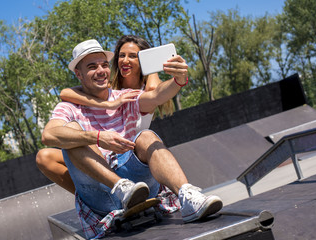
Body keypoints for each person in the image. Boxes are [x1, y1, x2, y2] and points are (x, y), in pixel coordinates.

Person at [41, 39, 223, 238]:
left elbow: (154, 97)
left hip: (139, 185)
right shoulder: (68, 107)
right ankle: (120, 186)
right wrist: (97, 137)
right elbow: (49, 134)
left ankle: (188, 196)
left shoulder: (125, 96)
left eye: (103, 65)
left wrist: (178, 80)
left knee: (146, 136)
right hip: (102, 192)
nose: (101, 70)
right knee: (71, 134)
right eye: (92, 67)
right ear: (79, 74)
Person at [36, 35, 173, 195]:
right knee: (47, 154)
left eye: (133, 56)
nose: (125, 60)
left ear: (143, 60)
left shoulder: (142, 93)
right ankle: (92, 195)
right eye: (121, 55)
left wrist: (152, 68)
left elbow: (154, 93)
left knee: (146, 138)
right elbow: (65, 93)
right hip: (105, 153)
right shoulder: (111, 88)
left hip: (131, 157)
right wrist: (107, 104)